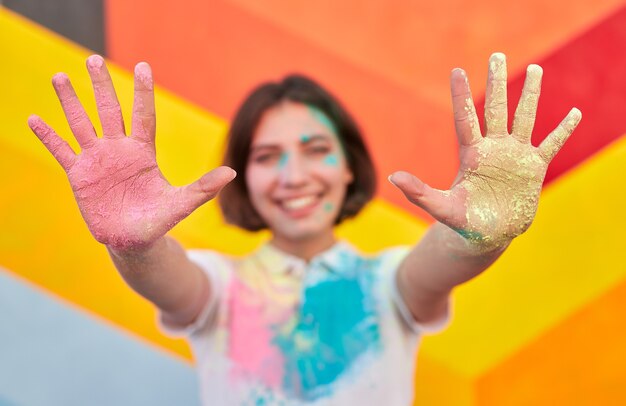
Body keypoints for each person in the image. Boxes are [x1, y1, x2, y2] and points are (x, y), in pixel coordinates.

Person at [28, 53, 581, 405]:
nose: (294, 176)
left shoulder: (387, 281)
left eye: (316, 150)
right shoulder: (220, 288)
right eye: (268, 156)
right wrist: (134, 245)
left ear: (347, 166)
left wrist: (483, 234)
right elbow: (168, 281)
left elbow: (439, 264)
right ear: (246, 177)